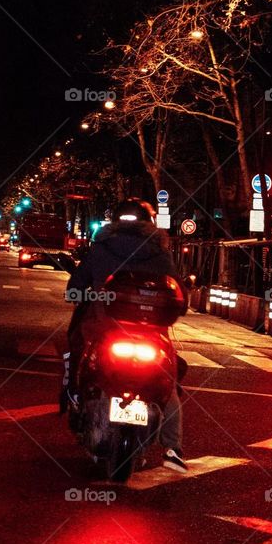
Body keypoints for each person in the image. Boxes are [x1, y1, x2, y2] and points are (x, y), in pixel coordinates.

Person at [63, 198, 188, 472]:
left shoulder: (101, 247)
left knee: (76, 351)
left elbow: (75, 286)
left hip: (103, 325)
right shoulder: (160, 252)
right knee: (168, 380)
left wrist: (80, 294)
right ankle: (172, 448)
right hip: (152, 332)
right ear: (149, 222)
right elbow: (179, 292)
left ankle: (72, 394)